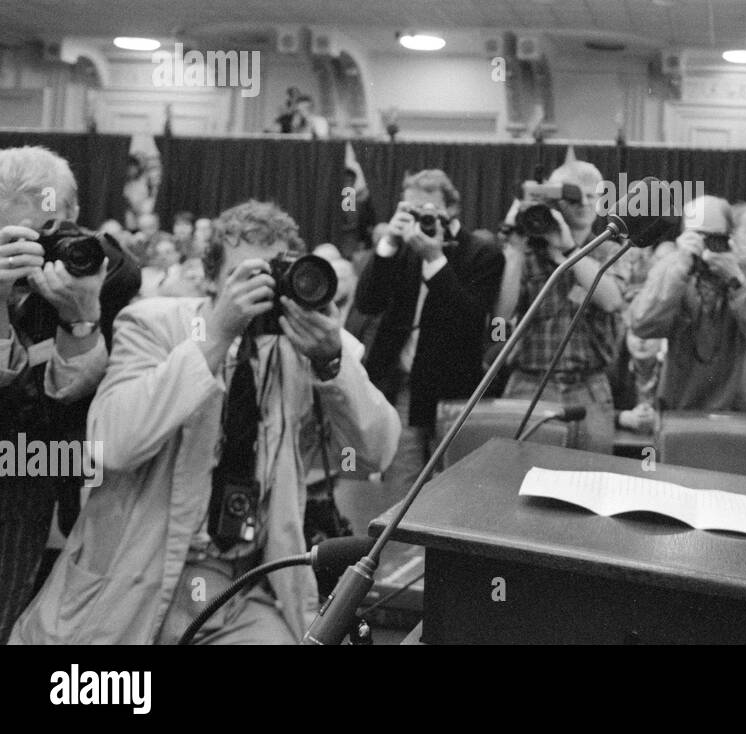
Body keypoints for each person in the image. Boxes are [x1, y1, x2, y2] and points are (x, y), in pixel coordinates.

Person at [11, 200, 400, 644]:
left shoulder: (304, 341)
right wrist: (216, 335)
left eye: (272, 273)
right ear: (211, 276)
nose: (259, 288)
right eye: (243, 275)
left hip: (237, 592)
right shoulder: (155, 323)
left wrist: (332, 363)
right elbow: (112, 444)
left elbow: (379, 449)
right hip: (133, 580)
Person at [0, 146, 139, 642]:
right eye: (17, 236)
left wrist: (81, 314)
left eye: (47, 231)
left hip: (63, 495)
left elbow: (74, 393)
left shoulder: (101, 271)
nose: (36, 249)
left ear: (73, 216)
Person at [354, 170, 503, 508]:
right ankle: (398, 559)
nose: (420, 219)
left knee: (454, 489)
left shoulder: (482, 253)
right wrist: (389, 244)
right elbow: (367, 302)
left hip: (452, 390)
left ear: (451, 210)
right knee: (401, 490)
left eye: (428, 211)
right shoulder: (402, 249)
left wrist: (435, 260)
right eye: (411, 210)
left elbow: (470, 319)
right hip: (403, 386)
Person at [495, 161, 626, 452]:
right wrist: (515, 251)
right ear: (553, 202)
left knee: (592, 484)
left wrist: (568, 251)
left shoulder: (609, 249)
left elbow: (611, 300)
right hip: (530, 384)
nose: (585, 203)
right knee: (519, 477)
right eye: (574, 197)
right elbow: (500, 322)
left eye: (593, 196)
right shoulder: (527, 253)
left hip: (589, 388)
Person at [629, 196, 746, 418]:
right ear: (684, 235)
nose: (705, 245)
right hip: (681, 409)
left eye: (715, 237)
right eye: (697, 236)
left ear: (731, 237)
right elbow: (642, 325)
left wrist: (737, 281)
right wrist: (679, 270)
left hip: (741, 409)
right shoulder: (672, 265)